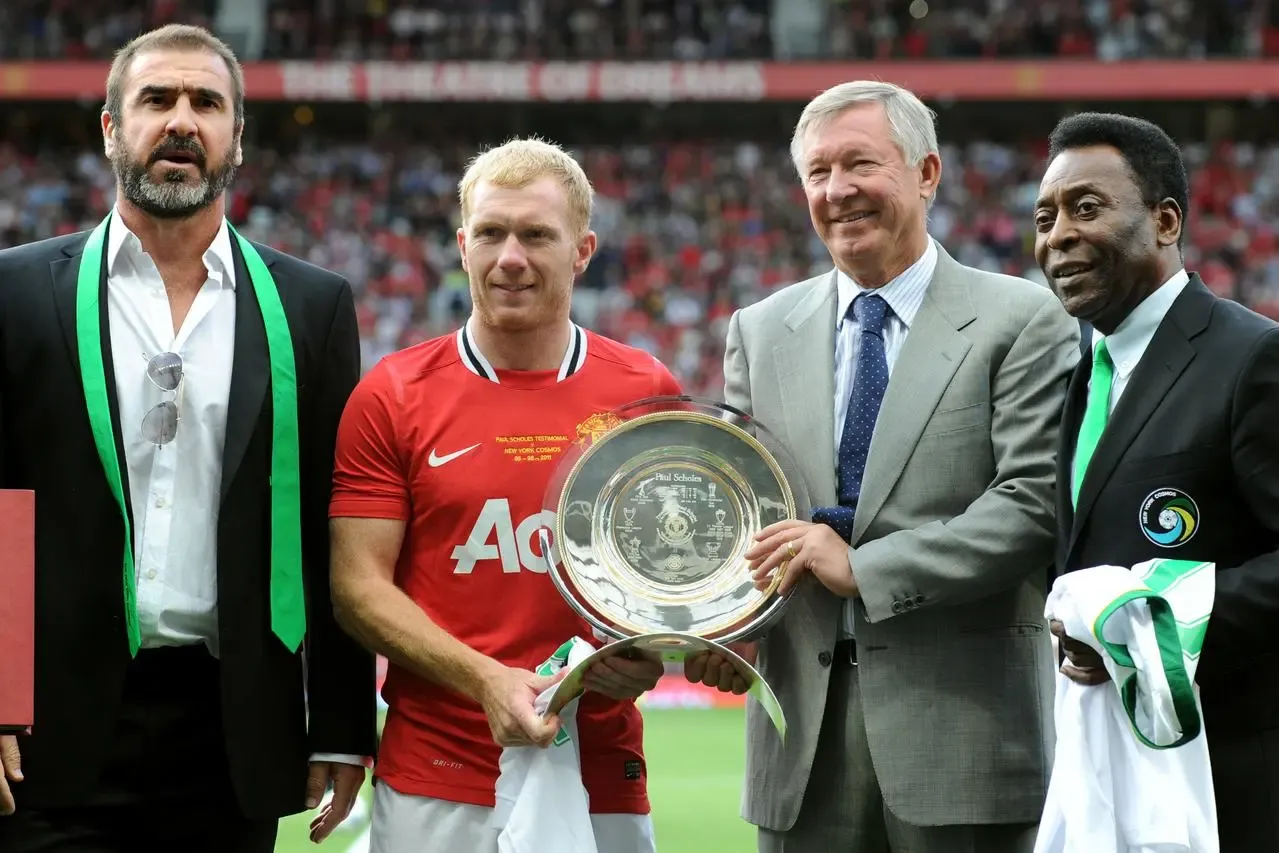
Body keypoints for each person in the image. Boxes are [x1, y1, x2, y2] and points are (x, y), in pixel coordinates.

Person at [0, 24, 376, 851]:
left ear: (237, 136)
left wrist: (344, 722)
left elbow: (333, 523)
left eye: (206, 102)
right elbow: (1, 511)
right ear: (110, 128)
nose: (181, 120)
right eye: (156, 99)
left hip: (231, 732)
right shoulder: (16, 289)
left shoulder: (312, 307)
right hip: (49, 734)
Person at [685, 80, 1080, 853]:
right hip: (800, 751)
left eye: (859, 164)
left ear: (926, 172)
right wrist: (723, 625)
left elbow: (1033, 506)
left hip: (965, 741)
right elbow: (746, 513)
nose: (837, 191)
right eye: (817, 173)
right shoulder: (759, 332)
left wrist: (862, 566)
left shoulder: (1022, 319)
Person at [328, 137, 682, 853]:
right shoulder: (392, 393)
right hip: (438, 766)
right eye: (490, 233)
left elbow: (670, 573)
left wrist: (655, 650)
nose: (509, 257)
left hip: (597, 761)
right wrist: (486, 679)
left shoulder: (645, 392)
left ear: (582, 250)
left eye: (535, 235)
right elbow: (356, 586)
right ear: (462, 245)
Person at [1034, 111, 1279, 851]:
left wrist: (1145, 620)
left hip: (1228, 784)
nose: (1056, 236)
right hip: (1111, 786)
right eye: (1044, 217)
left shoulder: (1251, 358)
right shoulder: (1080, 379)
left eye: (1085, 207)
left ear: (1165, 221)